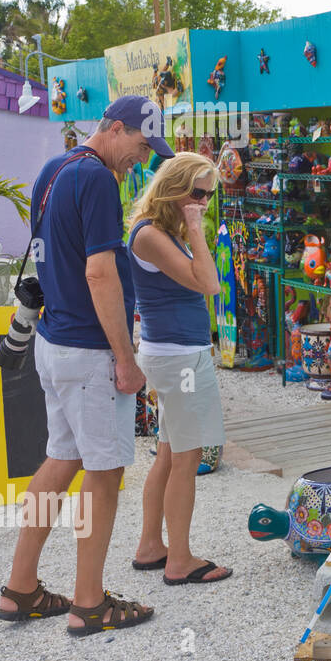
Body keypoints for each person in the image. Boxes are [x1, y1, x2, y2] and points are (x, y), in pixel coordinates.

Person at [0, 96, 174, 635]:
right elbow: (100, 273)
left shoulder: (56, 166)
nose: (139, 161)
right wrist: (126, 358)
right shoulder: (98, 180)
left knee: (59, 461)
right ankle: (90, 603)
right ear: (115, 129)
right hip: (90, 351)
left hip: (54, 343)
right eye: (140, 146)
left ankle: (20, 588)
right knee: (104, 471)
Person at [127, 152, 232, 584]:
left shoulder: (157, 231)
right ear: (175, 186)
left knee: (169, 454)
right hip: (178, 357)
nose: (204, 201)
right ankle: (180, 560)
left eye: (209, 194)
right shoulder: (152, 233)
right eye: (198, 192)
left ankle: (152, 546)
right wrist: (195, 227)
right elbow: (209, 283)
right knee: (186, 458)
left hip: (172, 353)